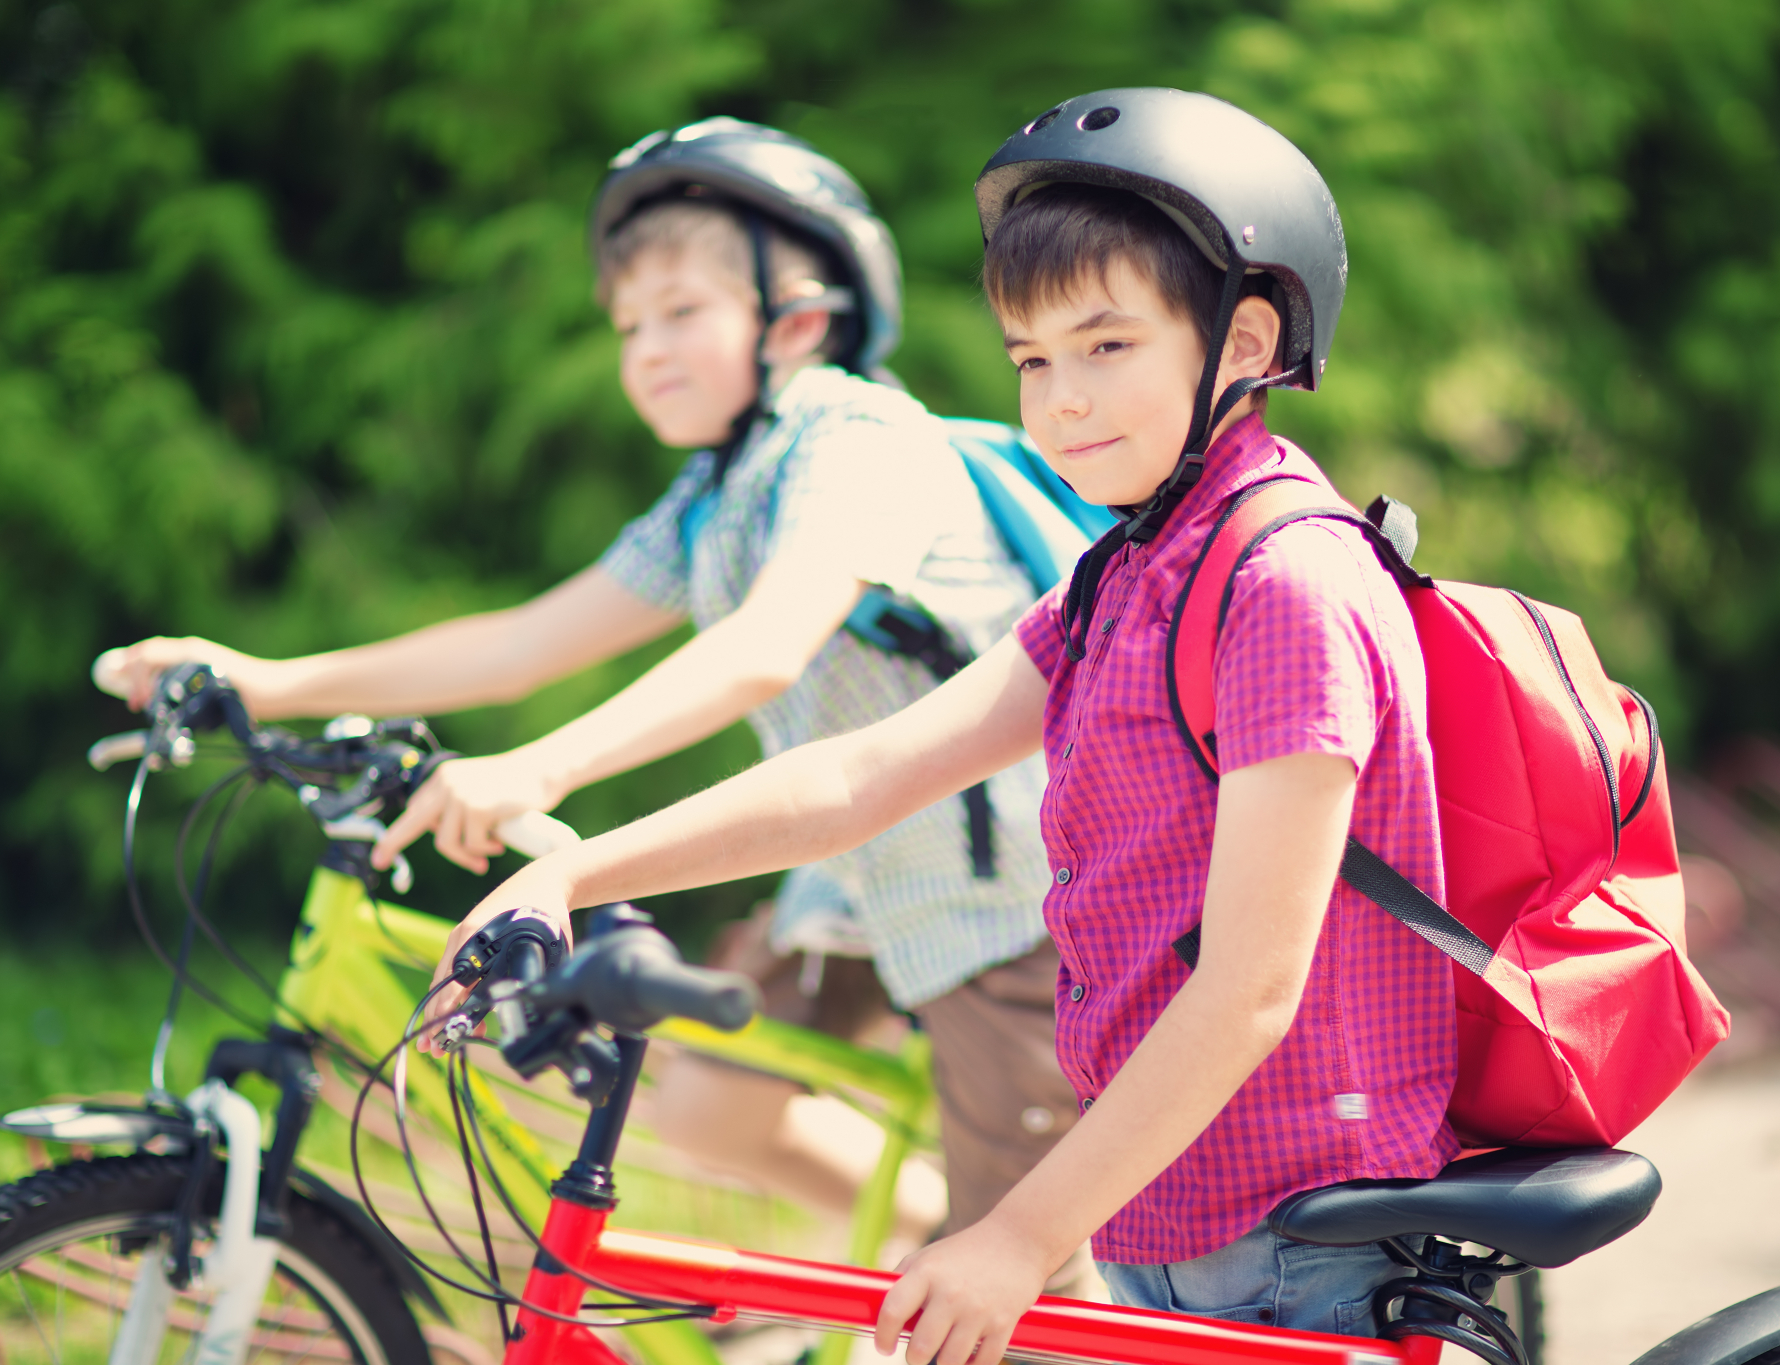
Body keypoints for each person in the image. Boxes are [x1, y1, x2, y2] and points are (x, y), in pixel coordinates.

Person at [428, 87, 1458, 1365]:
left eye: (1107, 346)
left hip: (1292, 1233)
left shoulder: (1283, 584)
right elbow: (864, 776)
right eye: (1032, 361)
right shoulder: (1123, 577)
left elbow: (1250, 990)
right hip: (1163, 1208)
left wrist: (1018, 1239)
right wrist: (575, 870)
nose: (1062, 402)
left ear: (1244, 341)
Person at [96, 118, 1084, 1253]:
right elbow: (526, 641)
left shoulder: (854, 437)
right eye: (627, 325)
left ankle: (1022, 1276)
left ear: (798, 322)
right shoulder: (719, 491)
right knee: (714, 1103)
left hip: (1015, 901)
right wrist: (272, 683)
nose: (645, 349)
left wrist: (539, 764)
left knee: (1026, 1284)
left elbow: (766, 644)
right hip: (856, 889)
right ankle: (921, 1243)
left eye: (682, 313)